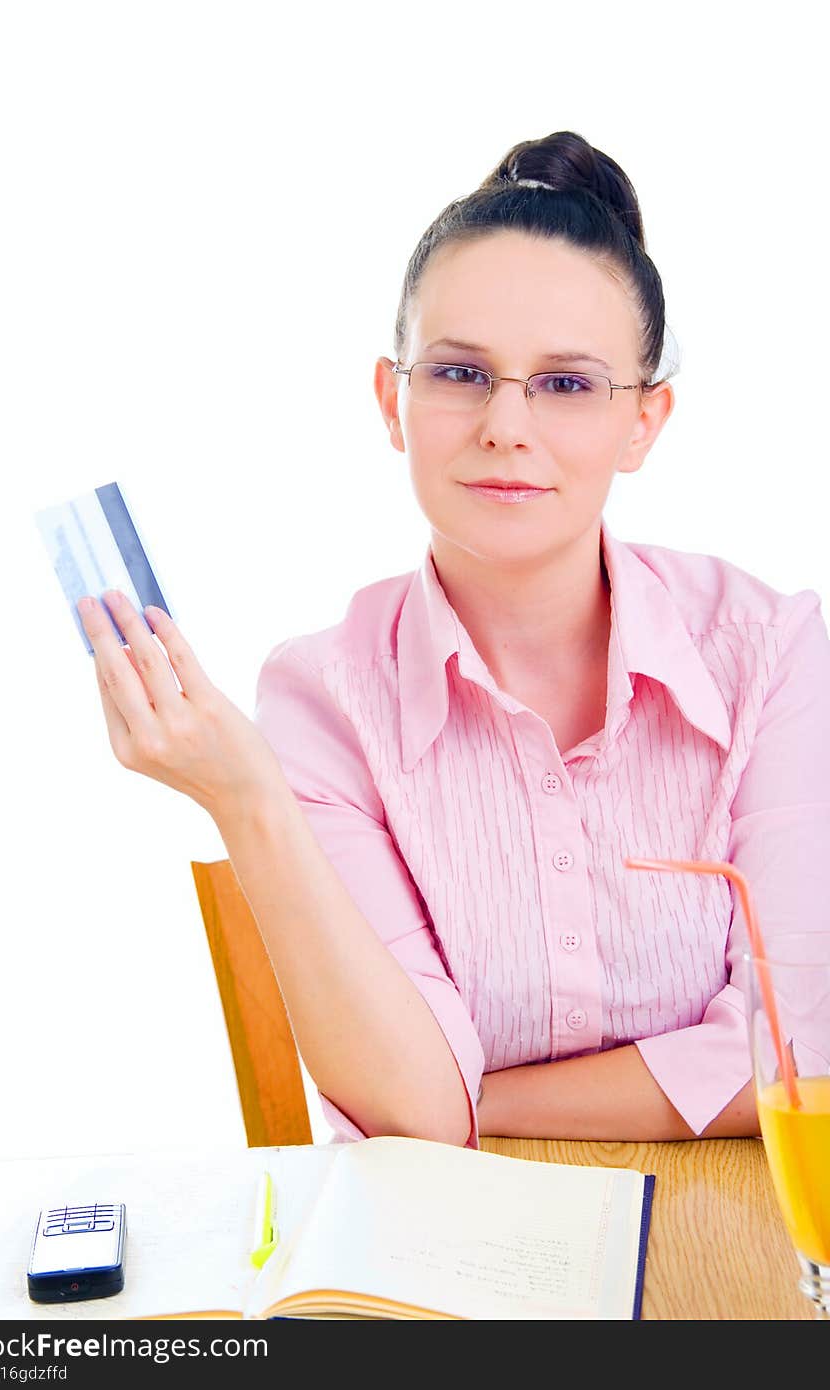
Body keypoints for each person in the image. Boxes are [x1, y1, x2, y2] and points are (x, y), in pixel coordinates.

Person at [77, 129, 830, 1151]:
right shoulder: (321, 696)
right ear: (395, 400)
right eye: (460, 373)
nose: (504, 425)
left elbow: (800, 1060)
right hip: (442, 1265)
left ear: (643, 422)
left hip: (724, 1238)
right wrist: (244, 796)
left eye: (565, 384)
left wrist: (483, 1097)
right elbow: (411, 1108)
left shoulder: (771, 651)